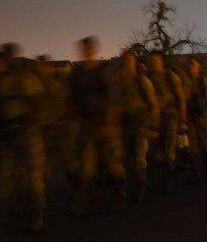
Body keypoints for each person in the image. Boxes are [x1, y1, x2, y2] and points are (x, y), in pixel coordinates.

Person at [0, 42, 47, 231]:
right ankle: (19, 205)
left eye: (1, 58)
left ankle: (37, 211)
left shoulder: (24, 78)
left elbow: (37, 105)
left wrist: (25, 124)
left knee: (33, 175)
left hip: (27, 132)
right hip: (6, 135)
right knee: (10, 175)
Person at [69, 36, 125, 213]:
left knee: (113, 164)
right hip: (86, 123)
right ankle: (80, 203)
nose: (85, 52)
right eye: (83, 49)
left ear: (94, 50)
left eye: (88, 49)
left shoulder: (104, 72)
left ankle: (119, 197)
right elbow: (73, 99)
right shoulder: (77, 74)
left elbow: (114, 99)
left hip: (104, 122)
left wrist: (110, 123)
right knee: (85, 166)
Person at [118, 50, 159, 202]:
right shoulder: (120, 81)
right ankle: (123, 192)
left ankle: (141, 188)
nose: (125, 63)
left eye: (128, 59)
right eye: (123, 60)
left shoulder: (142, 80)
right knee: (124, 159)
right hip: (125, 123)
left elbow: (154, 105)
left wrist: (154, 127)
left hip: (141, 122)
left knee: (139, 159)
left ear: (134, 61)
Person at [144, 52, 185, 195]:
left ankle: (166, 182)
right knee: (152, 154)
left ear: (160, 61)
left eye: (154, 60)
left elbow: (180, 98)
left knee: (168, 154)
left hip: (169, 117)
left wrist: (182, 120)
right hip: (153, 119)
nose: (151, 63)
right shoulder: (146, 77)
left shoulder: (170, 77)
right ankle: (150, 181)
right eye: (150, 61)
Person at [184, 56, 207, 180]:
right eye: (189, 64)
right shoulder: (185, 81)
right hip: (190, 116)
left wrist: (205, 114)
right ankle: (195, 173)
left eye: (192, 64)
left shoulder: (204, 81)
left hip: (202, 116)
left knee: (206, 144)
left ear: (198, 66)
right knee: (192, 146)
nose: (190, 66)